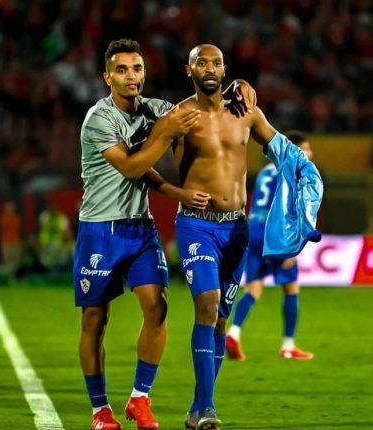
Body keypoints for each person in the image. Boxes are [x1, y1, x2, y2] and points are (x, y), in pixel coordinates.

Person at [76, 38, 255, 430]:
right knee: (95, 319)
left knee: (157, 307)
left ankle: (140, 398)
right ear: (107, 77)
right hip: (100, 228)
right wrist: (166, 139)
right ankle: (100, 410)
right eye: (122, 70)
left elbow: (205, 102)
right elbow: (132, 167)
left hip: (140, 226)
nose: (132, 76)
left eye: (137, 68)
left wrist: (237, 85)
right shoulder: (99, 119)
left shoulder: (157, 110)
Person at [159, 44, 318, 430]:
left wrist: (308, 184)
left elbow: (283, 151)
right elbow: (140, 162)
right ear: (189, 70)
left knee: (219, 320)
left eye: (216, 63)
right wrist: (175, 192)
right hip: (196, 225)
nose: (209, 69)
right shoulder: (178, 116)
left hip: (237, 229)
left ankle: (198, 407)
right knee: (207, 305)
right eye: (201, 63)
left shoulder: (247, 112)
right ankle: (207, 408)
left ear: (225, 70)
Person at [226, 131, 315, 363]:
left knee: (253, 288)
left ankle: (233, 333)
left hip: (253, 229)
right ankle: (288, 346)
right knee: (291, 288)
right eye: (306, 148)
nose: (310, 153)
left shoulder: (267, 170)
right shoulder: (292, 170)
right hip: (274, 232)